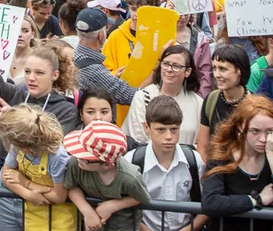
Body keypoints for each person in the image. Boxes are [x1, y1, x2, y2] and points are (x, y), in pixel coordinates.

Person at [201, 95, 273, 231]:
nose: (263, 139)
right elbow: (211, 202)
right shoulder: (222, 155)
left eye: (270, 131)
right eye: (255, 131)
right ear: (240, 128)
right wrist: (257, 200)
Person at [124, 95, 202, 231]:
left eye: (174, 129)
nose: (168, 136)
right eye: (161, 130)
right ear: (146, 127)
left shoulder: (194, 160)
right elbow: (123, 205)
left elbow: (208, 204)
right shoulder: (131, 161)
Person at [63, 120, 151, 231]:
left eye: (86, 159)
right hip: (90, 224)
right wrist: (87, 211)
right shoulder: (76, 163)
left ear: (107, 164)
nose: (78, 158)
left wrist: (113, 206)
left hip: (123, 226)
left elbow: (142, 197)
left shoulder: (130, 177)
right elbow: (72, 186)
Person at [0, 104, 74, 231]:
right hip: (33, 217)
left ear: (27, 146)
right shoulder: (17, 145)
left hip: (59, 221)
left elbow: (60, 197)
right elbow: (5, 177)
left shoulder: (57, 156)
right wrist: (27, 194)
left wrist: (26, 183)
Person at [123, 45, 203, 147]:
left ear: (187, 72)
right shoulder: (143, 97)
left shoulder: (198, 103)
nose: (169, 69)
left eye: (176, 66)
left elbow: (201, 143)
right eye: (165, 64)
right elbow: (137, 138)